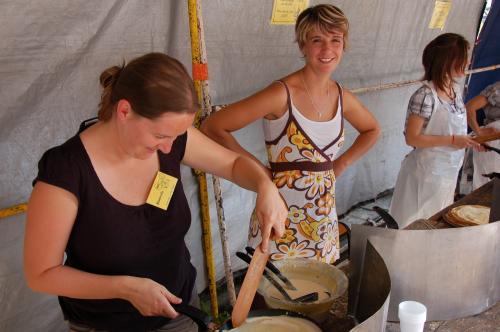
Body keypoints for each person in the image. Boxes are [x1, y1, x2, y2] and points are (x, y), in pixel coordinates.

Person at [24, 53, 287, 332]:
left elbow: (233, 164)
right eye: (161, 136)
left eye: (177, 135)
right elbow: (41, 274)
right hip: (105, 324)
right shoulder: (66, 170)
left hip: (180, 310)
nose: (168, 147)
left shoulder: (172, 139)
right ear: (124, 111)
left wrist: (264, 185)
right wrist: (125, 288)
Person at [201, 4, 380, 264]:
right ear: (302, 46)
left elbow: (372, 130)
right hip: (279, 217)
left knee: (319, 294)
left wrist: (340, 164)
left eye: (335, 40)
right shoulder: (281, 94)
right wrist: (258, 173)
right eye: (317, 40)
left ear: (344, 45)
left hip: (323, 219)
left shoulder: (344, 97)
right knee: (274, 295)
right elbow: (213, 126)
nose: (327, 49)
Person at [389, 33, 482, 229]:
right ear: (446, 61)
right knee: (413, 225)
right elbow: (412, 138)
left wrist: (471, 140)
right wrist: (453, 139)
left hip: (447, 172)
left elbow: (455, 131)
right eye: (462, 58)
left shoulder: (455, 90)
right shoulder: (425, 95)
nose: (467, 62)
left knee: (435, 223)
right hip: (424, 173)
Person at [466, 81, 500, 189]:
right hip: (494, 143)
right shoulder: (497, 89)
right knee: (488, 193)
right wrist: (479, 133)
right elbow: (469, 107)